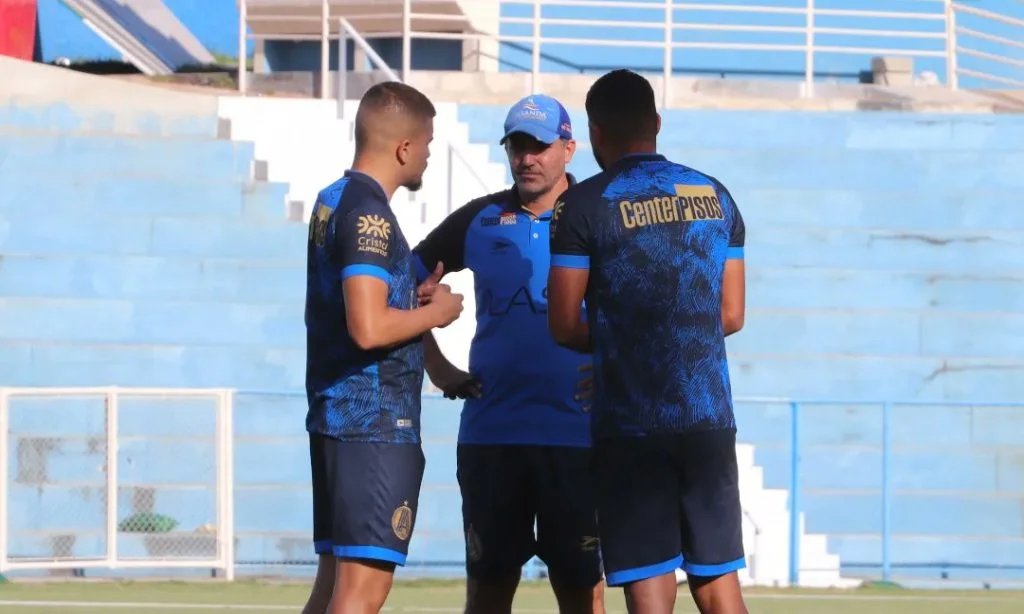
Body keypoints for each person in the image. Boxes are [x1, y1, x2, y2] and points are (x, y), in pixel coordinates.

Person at [547, 69, 749, 614]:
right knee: (718, 585)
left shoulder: (585, 205)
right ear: (656, 122)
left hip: (631, 423)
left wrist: (619, 345)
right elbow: (729, 315)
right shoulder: (715, 195)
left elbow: (564, 324)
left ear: (593, 132)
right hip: (708, 419)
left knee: (650, 589)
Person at [412, 94, 605, 614]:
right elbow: (399, 280)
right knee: (489, 595)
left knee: (583, 597)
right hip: (493, 438)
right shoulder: (481, 218)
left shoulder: (602, 215)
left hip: (579, 440)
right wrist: (436, 362)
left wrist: (616, 371)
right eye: (518, 146)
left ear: (568, 148)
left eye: (540, 146)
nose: (528, 158)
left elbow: (643, 307)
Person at [301, 81, 465, 614]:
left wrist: (409, 303)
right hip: (373, 425)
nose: (428, 154)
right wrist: (436, 312)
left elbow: (361, 303)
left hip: (336, 420)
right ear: (404, 149)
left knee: (331, 586)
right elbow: (368, 328)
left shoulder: (332, 200)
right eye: (428, 144)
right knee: (361, 591)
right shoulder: (371, 216)